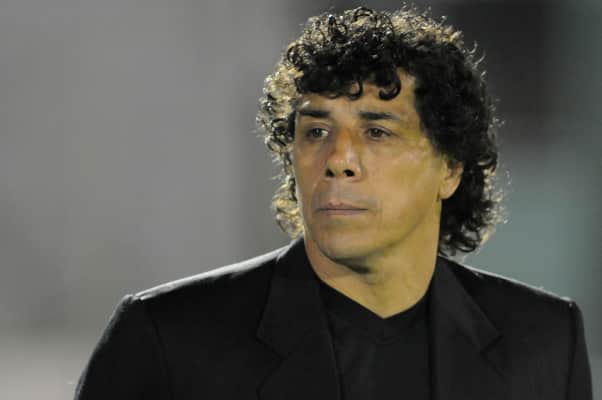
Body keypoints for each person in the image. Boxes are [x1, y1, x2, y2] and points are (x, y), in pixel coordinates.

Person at [75, 6, 592, 400]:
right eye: (316, 131)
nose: (339, 159)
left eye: (377, 131)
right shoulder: (168, 338)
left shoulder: (544, 339)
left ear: (450, 169)